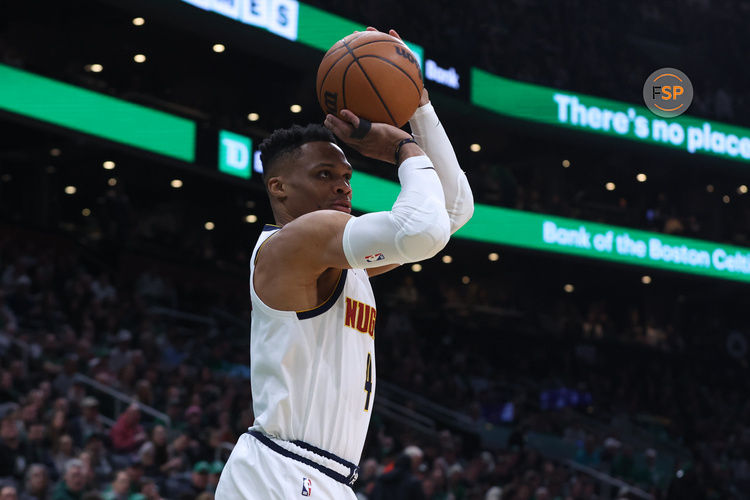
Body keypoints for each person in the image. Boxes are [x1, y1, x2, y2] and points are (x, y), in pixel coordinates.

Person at [216, 27, 473, 500]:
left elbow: (453, 211)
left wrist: (418, 103)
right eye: (324, 175)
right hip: (282, 471)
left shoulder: (337, 260)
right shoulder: (299, 242)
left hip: (320, 476)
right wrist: (401, 148)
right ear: (279, 188)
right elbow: (424, 230)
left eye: (346, 176)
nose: (343, 187)